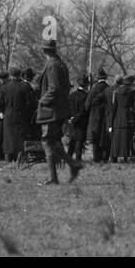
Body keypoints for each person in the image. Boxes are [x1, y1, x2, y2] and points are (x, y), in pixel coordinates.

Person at [37, 39, 82, 185]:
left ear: (44, 51)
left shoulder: (52, 65)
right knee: (54, 141)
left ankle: (53, 177)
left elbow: (54, 88)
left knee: (47, 141)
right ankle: (73, 164)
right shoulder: (60, 64)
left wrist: (42, 101)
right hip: (59, 109)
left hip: (51, 110)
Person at [0, 66, 32, 162]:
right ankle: (21, 157)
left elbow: (0, 103)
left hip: (8, 115)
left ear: (10, 76)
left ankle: (9, 157)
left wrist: (1, 113)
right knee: (21, 137)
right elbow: (31, 102)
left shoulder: (4, 88)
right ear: (20, 75)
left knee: (9, 137)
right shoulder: (26, 87)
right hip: (22, 115)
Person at [108, 75, 135, 163]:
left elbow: (113, 108)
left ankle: (114, 157)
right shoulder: (131, 93)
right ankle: (125, 157)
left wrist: (111, 122)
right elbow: (134, 105)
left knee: (116, 139)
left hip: (117, 118)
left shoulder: (116, 92)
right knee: (125, 139)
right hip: (127, 117)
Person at [86, 69, 110, 163]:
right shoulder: (109, 89)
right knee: (104, 138)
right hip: (106, 116)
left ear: (98, 78)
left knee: (95, 138)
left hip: (94, 117)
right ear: (105, 77)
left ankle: (96, 158)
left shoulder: (93, 89)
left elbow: (87, 105)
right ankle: (104, 158)